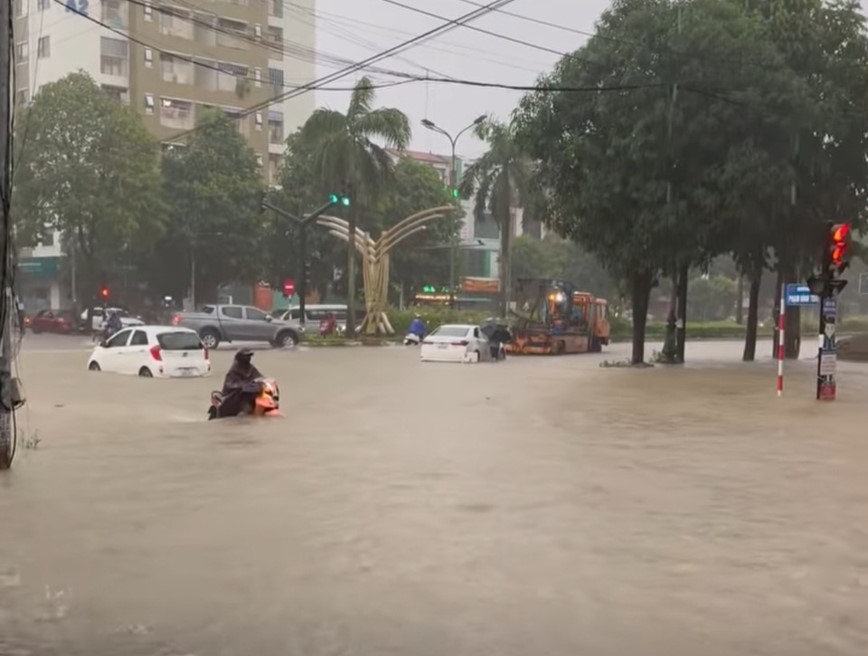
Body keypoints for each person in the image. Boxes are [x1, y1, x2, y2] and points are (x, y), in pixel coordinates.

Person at [213, 348, 264, 418]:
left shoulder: (250, 368)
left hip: (249, 393)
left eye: (249, 356)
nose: (248, 358)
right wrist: (242, 386)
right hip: (233, 396)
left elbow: (259, 377)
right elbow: (229, 384)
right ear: (240, 357)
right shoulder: (234, 369)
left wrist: (263, 382)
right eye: (246, 356)